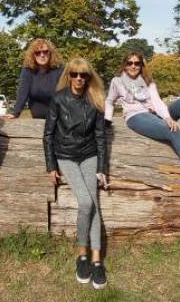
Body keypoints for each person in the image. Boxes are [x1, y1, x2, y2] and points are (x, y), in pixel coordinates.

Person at [105, 51, 180, 184]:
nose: (133, 66)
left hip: (154, 114)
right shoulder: (117, 81)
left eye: (137, 63)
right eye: (130, 63)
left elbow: (157, 102)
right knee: (173, 130)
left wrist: (167, 118)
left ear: (142, 65)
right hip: (136, 116)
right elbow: (109, 101)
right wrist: (107, 120)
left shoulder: (147, 81)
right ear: (125, 65)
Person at [43, 58, 108, 290]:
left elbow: (101, 137)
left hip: (89, 154)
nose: (79, 79)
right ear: (68, 75)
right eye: (75, 74)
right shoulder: (59, 99)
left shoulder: (95, 100)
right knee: (85, 202)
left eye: (84, 75)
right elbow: (48, 134)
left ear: (89, 77)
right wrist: (51, 165)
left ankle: (97, 260)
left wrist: (102, 168)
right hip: (66, 155)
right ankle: (81, 254)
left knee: (94, 205)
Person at [6, 38, 63, 119]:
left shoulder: (59, 70)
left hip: (58, 117)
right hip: (37, 118)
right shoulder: (27, 70)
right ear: (33, 55)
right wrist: (15, 113)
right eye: (38, 53)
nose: (42, 55)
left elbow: (65, 95)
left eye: (45, 52)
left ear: (50, 53)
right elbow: (22, 93)